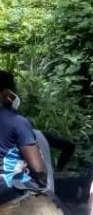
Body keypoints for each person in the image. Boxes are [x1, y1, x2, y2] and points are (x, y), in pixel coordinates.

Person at [0, 71, 48, 203]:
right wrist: (44, 183)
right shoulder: (17, 121)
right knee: (63, 213)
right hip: (12, 187)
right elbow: (38, 170)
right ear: (7, 94)